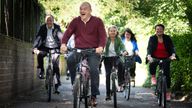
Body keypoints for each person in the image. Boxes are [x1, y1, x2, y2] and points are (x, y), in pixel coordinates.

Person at [60, 2, 107, 105]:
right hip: (78, 49)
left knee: (94, 69)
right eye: (81, 9)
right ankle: (74, 85)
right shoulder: (75, 21)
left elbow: (103, 36)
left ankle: (94, 96)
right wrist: (63, 44)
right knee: (70, 59)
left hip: (93, 50)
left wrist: (101, 47)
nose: (82, 11)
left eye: (85, 9)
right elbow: (67, 33)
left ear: (90, 10)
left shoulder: (98, 21)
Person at [146, 24, 177, 100]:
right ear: (155, 30)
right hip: (155, 57)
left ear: (163, 30)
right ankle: (153, 76)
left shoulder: (167, 38)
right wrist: (149, 56)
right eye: (157, 29)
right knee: (152, 63)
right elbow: (149, 48)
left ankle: (167, 93)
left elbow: (172, 47)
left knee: (167, 75)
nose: (159, 30)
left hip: (166, 57)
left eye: (160, 29)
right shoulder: (152, 38)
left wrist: (173, 55)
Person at [33, 14, 62, 93]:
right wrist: (35, 48)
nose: (49, 22)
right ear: (45, 21)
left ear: (53, 21)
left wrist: (63, 46)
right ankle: (42, 70)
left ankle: (56, 85)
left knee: (55, 65)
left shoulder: (57, 27)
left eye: (50, 20)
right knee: (40, 54)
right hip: (45, 47)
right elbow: (38, 37)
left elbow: (60, 37)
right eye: (47, 20)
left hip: (55, 47)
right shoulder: (42, 27)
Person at [103, 25, 127, 100]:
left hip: (117, 56)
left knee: (121, 64)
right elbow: (101, 45)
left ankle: (120, 82)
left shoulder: (118, 39)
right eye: (111, 31)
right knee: (107, 75)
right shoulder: (105, 39)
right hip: (107, 57)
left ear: (116, 32)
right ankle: (107, 94)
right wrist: (100, 51)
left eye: (114, 31)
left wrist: (124, 51)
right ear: (108, 32)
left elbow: (122, 46)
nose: (112, 32)